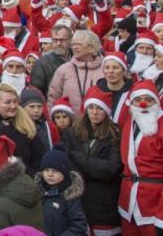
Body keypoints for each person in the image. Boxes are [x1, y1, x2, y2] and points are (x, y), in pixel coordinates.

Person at [61, 85, 122, 234]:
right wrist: (94, 169)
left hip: (104, 206)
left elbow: (110, 169)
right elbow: (65, 163)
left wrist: (77, 157)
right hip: (78, 202)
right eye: (91, 107)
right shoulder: (72, 133)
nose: (94, 113)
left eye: (99, 109)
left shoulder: (114, 136)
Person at [117, 80, 163, 235]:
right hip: (128, 201)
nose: (143, 104)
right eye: (138, 100)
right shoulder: (129, 124)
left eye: (148, 100)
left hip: (154, 203)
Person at [47, 29, 104, 113]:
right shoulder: (64, 69)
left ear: (91, 48)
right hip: (69, 123)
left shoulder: (105, 69)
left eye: (78, 45)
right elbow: (53, 98)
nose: (74, 48)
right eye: (73, 45)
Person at [36, 144, 88, 236]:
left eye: (55, 171)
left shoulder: (70, 196)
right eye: (46, 170)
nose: (50, 174)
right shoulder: (36, 192)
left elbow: (78, 226)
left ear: (64, 173)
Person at [29, 25, 72, 96]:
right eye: (55, 40)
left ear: (70, 40)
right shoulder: (42, 63)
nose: (58, 44)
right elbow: (36, 91)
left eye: (62, 40)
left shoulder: (78, 59)